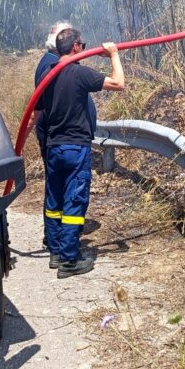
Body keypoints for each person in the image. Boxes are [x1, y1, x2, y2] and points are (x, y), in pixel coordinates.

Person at [42, 28, 125, 278]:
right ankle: (69, 260)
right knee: (74, 200)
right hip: (75, 146)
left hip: (53, 146)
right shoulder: (78, 73)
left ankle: (56, 252)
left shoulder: (47, 74)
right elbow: (118, 83)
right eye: (83, 45)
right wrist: (113, 55)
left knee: (54, 200)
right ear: (77, 46)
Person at [30, 21, 73, 260]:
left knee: (57, 187)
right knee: (59, 189)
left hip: (56, 138)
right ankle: (57, 242)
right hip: (56, 138)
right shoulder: (52, 66)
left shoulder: (52, 63)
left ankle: (55, 238)